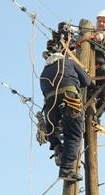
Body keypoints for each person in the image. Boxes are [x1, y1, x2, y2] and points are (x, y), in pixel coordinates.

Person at [37, 52, 92, 182]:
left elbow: (45, 93)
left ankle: (58, 148)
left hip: (50, 106)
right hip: (69, 99)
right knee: (73, 134)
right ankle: (66, 169)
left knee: (52, 130)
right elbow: (87, 81)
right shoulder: (69, 62)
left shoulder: (43, 74)